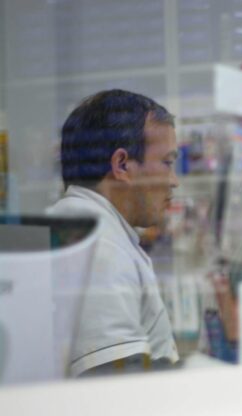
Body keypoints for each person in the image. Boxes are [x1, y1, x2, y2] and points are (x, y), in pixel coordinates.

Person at [48, 89, 180, 376]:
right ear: (122, 165)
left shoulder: (93, 231)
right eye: (168, 163)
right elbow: (115, 384)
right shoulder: (97, 247)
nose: (174, 181)